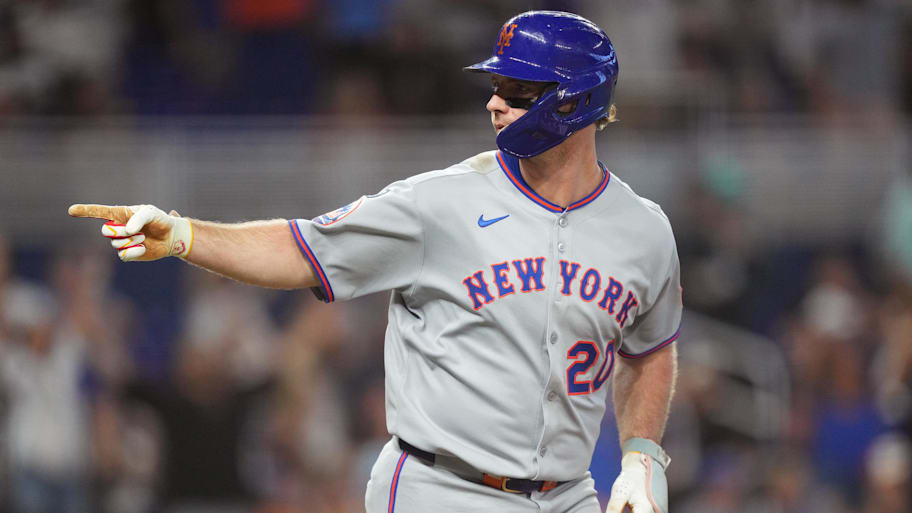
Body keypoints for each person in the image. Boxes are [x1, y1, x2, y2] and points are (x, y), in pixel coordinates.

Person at [69, 10, 681, 513]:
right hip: (442, 489)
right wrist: (184, 234)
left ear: (576, 102)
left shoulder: (645, 232)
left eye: (518, 91)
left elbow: (650, 350)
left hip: (570, 495)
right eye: (496, 87)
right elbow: (301, 250)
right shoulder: (439, 203)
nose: (495, 104)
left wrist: (641, 455)